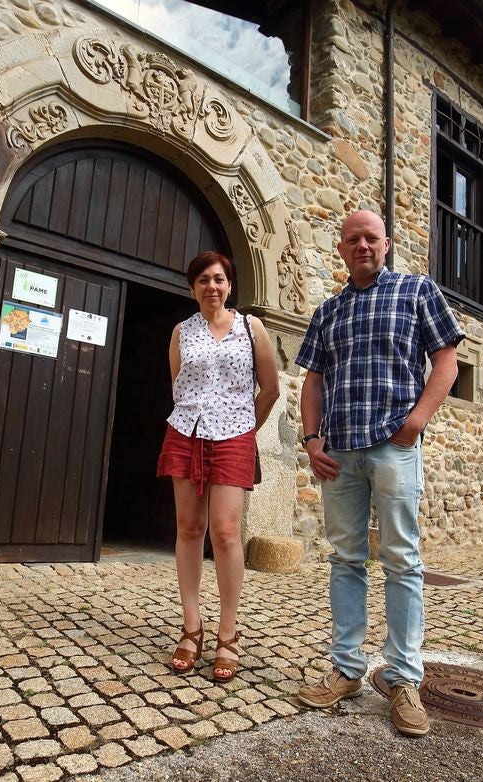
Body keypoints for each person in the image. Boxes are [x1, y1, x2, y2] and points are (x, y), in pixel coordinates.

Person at [294, 210, 464, 736]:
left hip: (394, 446)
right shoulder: (328, 311)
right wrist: (311, 439)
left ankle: (404, 679)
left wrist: (416, 422)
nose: (362, 245)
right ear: (341, 249)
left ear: (386, 244)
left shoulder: (417, 292)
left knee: (402, 559)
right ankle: (346, 669)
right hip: (339, 453)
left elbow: (447, 363)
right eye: (353, 239)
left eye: (371, 237)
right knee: (346, 558)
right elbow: (314, 381)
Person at [157, 250, 279, 681]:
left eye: (219, 279)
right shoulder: (181, 332)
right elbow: (179, 385)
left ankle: (228, 633)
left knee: (225, 532)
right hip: (186, 432)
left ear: (230, 285)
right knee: (188, 529)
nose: (212, 286)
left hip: (233, 436)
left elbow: (270, 388)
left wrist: (245, 428)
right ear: (193, 288)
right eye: (204, 280)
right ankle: (192, 628)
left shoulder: (251, 327)